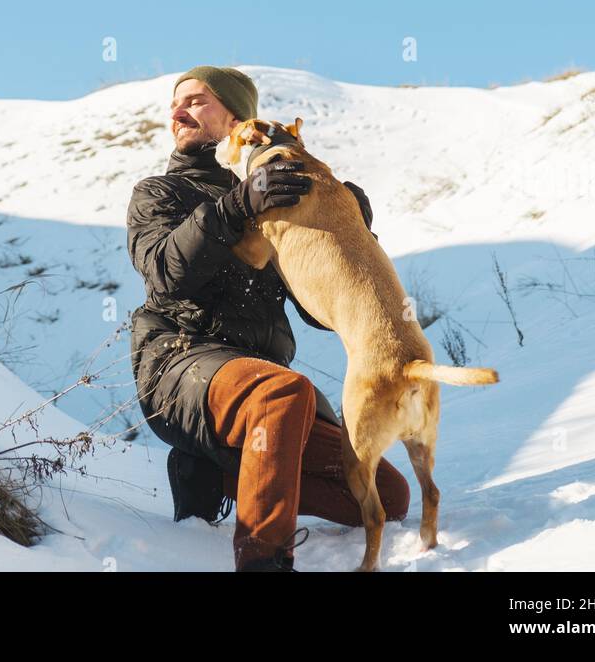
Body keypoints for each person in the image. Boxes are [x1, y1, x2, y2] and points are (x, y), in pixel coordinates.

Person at [126, 65, 410, 572]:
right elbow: (166, 274)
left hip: (262, 386)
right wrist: (236, 207)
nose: (178, 111)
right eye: (176, 103)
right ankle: (263, 560)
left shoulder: (281, 196)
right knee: (283, 391)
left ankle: (227, 473)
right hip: (182, 362)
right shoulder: (158, 193)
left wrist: (352, 233)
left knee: (387, 495)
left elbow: (319, 312)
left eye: (196, 100)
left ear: (239, 119)